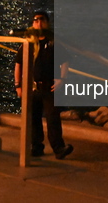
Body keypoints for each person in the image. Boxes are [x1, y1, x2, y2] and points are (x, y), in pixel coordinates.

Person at [14, 11, 73, 159]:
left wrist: (62, 79)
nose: (39, 23)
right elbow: (18, 64)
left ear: (47, 22)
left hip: (49, 86)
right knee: (33, 118)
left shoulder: (53, 42)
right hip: (32, 87)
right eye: (35, 20)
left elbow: (65, 60)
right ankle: (36, 146)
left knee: (53, 118)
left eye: (42, 20)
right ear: (32, 23)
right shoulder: (28, 42)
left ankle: (58, 148)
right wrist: (18, 85)